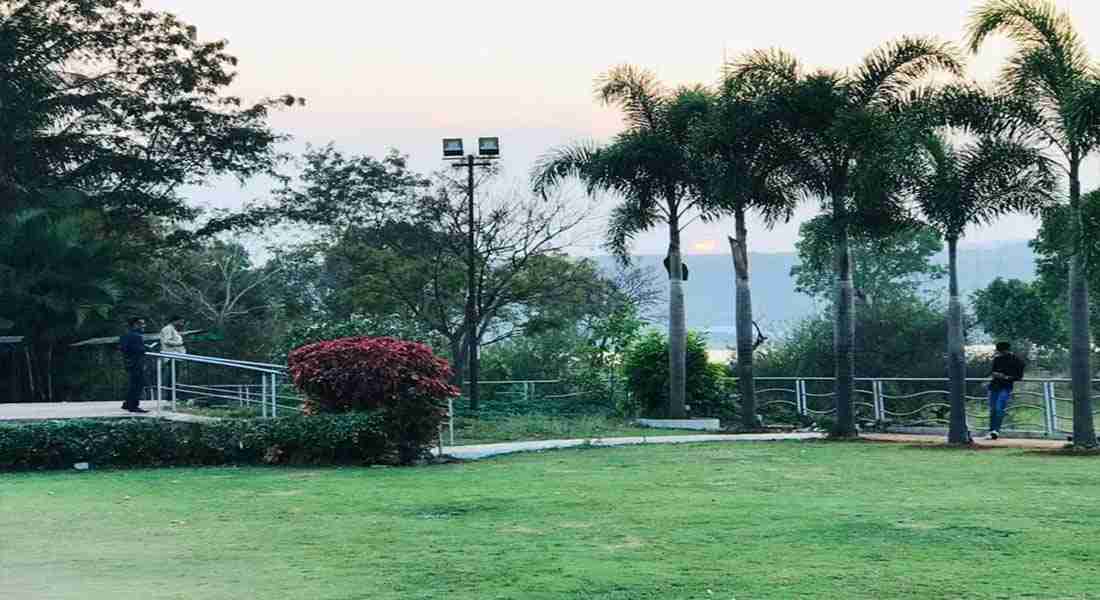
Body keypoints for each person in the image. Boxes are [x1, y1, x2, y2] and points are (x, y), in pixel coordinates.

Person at [986, 341, 1025, 440]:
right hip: (994, 386)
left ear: (1006, 350)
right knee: (993, 409)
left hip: (1006, 386)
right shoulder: (997, 359)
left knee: (999, 408)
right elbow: (993, 371)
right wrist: (995, 374)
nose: (999, 353)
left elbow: (1019, 377)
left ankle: (996, 430)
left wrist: (1006, 377)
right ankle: (991, 431)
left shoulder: (1017, 361)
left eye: (1000, 351)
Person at [120, 317, 149, 413]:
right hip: (137, 363)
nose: (144, 326)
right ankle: (133, 405)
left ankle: (127, 403)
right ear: (135, 325)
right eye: (142, 324)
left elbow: (124, 348)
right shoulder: (136, 336)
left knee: (133, 384)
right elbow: (139, 350)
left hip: (129, 363)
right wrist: (146, 349)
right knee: (138, 384)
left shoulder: (125, 335)